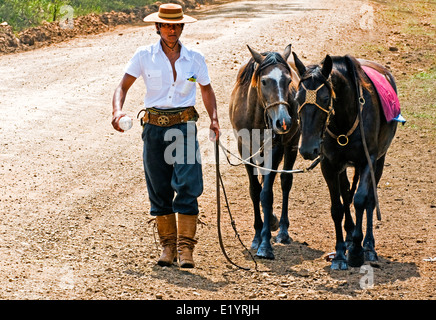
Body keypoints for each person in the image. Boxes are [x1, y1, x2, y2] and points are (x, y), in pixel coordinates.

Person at [111, 3, 220, 268]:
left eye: (176, 25)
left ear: (182, 27)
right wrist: (117, 111)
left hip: (183, 127)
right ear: (157, 27)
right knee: (158, 187)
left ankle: (186, 248)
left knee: (187, 185)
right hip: (153, 129)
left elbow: (206, 90)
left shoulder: (195, 58)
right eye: (167, 25)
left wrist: (214, 118)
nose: (172, 30)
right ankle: (167, 247)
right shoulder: (143, 56)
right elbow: (122, 86)